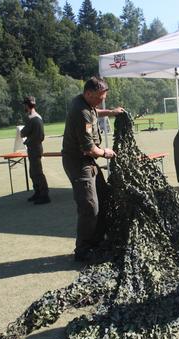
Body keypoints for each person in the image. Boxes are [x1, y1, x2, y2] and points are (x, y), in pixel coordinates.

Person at [62, 76, 124, 262]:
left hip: (88, 161)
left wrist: (111, 112)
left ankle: (97, 241)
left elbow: (95, 111)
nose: (101, 100)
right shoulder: (81, 112)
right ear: (89, 94)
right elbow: (89, 149)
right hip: (79, 163)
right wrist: (106, 152)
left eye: (104, 97)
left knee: (104, 197)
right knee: (90, 207)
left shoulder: (86, 103)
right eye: (99, 97)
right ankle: (83, 249)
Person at [20, 96, 50, 205]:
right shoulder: (38, 117)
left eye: (25, 105)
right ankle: (38, 193)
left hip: (34, 148)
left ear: (27, 105)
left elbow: (23, 133)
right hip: (36, 147)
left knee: (37, 173)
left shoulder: (31, 118)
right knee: (33, 172)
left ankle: (44, 195)